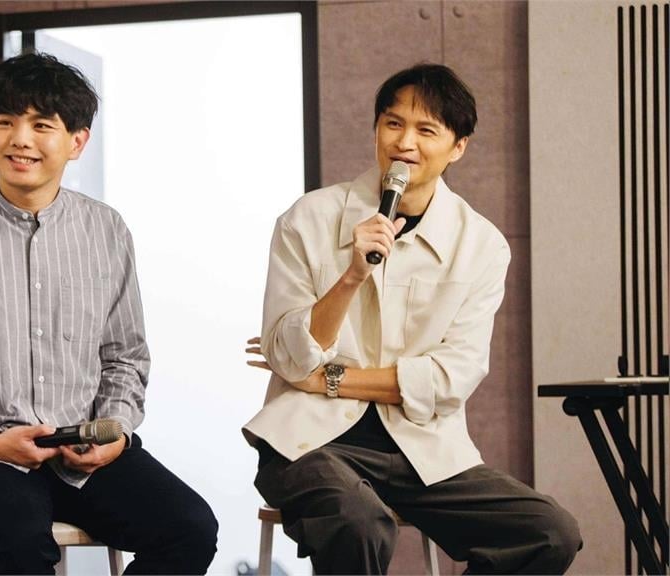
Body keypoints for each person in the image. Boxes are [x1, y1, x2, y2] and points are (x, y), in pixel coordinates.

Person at [0, 52, 217, 575]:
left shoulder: (106, 230)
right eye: (6, 122)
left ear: (77, 141)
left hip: (80, 456)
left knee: (190, 528)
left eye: (42, 125)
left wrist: (114, 432)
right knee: (20, 541)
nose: (21, 140)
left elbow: (125, 357)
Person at [242, 63, 581, 574]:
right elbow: (290, 357)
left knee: (550, 531)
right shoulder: (307, 219)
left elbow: (451, 378)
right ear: (376, 129)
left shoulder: (481, 245)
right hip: (308, 444)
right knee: (359, 521)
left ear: (458, 147)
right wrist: (351, 276)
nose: (405, 143)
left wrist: (329, 378)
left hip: (423, 449)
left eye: (426, 130)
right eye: (393, 124)